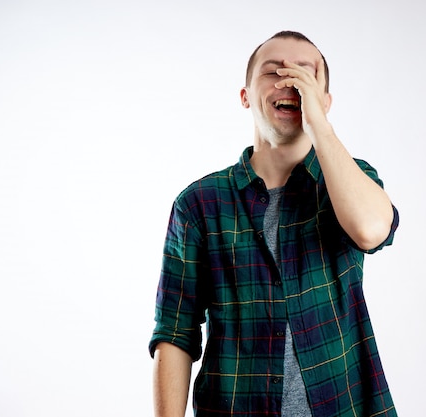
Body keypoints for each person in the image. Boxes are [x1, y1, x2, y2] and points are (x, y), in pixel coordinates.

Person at [150, 30, 399, 417]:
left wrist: (318, 125)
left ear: (325, 100)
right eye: (273, 72)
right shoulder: (198, 204)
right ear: (245, 96)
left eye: (305, 72)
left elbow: (370, 229)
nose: (290, 80)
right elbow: (175, 333)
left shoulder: (352, 180)